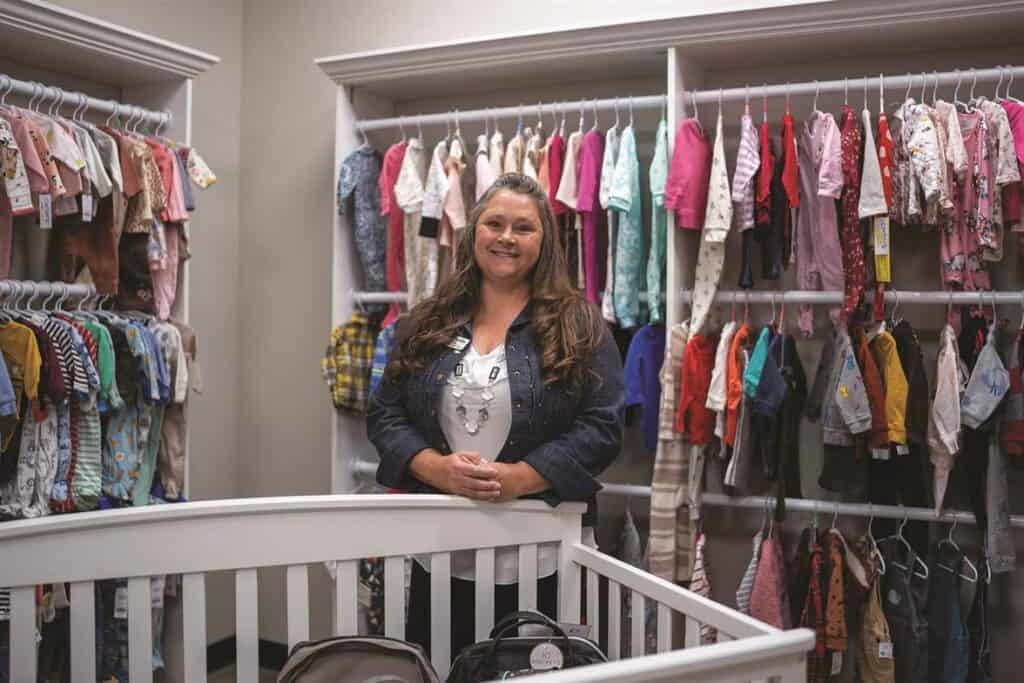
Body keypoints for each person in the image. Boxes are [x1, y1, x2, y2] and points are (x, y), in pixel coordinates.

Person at [367, 173, 624, 660]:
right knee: (442, 664)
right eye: (495, 224)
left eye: (524, 228)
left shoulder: (579, 325)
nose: (507, 238)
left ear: (544, 241)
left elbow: (603, 426)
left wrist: (521, 478)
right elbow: (386, 413)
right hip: (441, 550)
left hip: (543, 551)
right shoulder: (426, 320)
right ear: (473, 233)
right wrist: (432, 467)